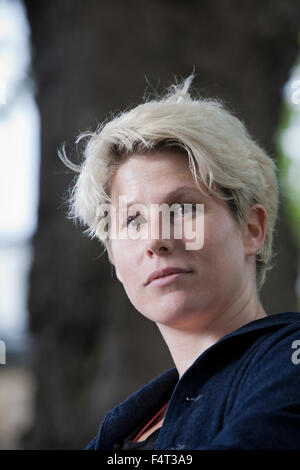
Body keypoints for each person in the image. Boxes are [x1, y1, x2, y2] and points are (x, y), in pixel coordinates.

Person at [58, 75, 300, 450]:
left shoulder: (287, 363)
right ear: (115, 260)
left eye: (183, 209)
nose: (155, 239)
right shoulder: (126, 428)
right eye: (132, 220)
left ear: (251, 229)